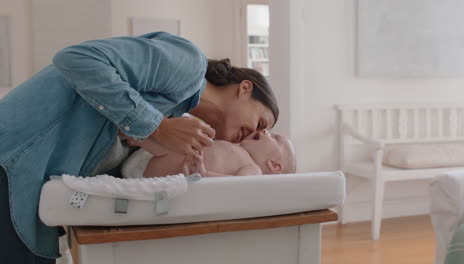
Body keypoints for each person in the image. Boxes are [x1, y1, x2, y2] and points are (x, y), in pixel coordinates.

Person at [0, 32, 279, 263]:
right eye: (261, 122)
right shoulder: (188, 64)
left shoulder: (174, 111)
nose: (253, 135)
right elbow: (75, 58)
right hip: (15, 155)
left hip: (31, 182)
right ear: (245, 88)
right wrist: (157, 126)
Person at [121, 129, 296, 178]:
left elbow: (235, 185)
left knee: (175, 152)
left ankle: (139, 136)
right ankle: (139, 136)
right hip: (149, 156)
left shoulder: (253, 169)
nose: (266, 130)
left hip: (171, 169)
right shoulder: (238, 149)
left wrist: (203, 173)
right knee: (176, 146)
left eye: (275, 137)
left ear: (274, 165)